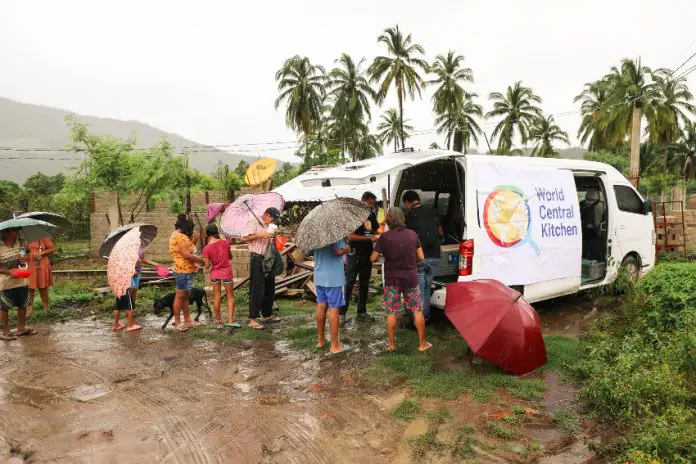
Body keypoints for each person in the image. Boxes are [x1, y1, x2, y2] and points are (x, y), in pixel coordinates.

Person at [371, 208, 431, 352]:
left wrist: (377, 248)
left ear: (389, 221)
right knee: (417, 310)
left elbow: (373, 259)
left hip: (392, 280)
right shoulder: (412, 234)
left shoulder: (384, 238)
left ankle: (391, 345)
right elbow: (421, 257)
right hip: (410, 278)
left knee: (392, 312)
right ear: (402, 219)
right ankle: (422, 344)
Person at [402, 191, 443, 321]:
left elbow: (406, 238)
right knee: (426, 288)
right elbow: (440, 231)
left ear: (408, 202)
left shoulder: (408, 216)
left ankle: (421, 319)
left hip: (419, 257)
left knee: (419, 291)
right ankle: (426, 316)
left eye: (405, 204)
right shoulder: (432, 212)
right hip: (435, 256)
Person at [341, 191, 379, 326]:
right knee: (349, 282)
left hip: (367, 254)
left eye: (372, 205)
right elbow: (350, 236)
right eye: (369, 204)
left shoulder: (371, 215)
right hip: (354, 253)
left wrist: (378, 234)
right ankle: (342, 313)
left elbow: (372, 230)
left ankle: (361, 312)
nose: (370, 207)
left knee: (364, 283)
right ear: (362, 201)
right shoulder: (354, 215)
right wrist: (368, 237)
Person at [240, 208, 281, 330]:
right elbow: (243, 238)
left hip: (268, 258)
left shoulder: (269, 225)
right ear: (267, 215)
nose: (272, 222)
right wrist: (261, 234)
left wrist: (274, 235)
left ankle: (266, 315)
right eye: (272, 219)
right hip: (257, 258)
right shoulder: (253, 221)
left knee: (270, 287)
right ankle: (252, 318)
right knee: (258, 288)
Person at [308, 239, 350, 354]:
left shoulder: (315, 236)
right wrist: (347, 248)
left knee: (321, 306)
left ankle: (321, 340)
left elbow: (309, 252)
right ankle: (334, 345)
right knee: (334, 308)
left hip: (319, 276)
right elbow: (338, 251)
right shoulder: (335, 235)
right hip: (334, 278)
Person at [169, 218, 205, 330]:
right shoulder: (181, 237)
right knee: (180, 296)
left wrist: (194, 240)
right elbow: (187, 255)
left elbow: (187, 250)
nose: (191, 230)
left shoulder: (176, 235)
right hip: (182, 270)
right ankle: (177, 322)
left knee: (185, 295)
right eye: (191, 229)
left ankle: (188, 320)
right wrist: (201, 261)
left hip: (184, 269)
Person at [202, 223, 239, 330]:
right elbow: (230, 257)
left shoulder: (206, 248)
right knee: (230, 296)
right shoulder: (225, 243)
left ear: (207, 234)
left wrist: (205, 262)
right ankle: (231, 320)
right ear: (217, 232)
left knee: (216, 297)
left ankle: (218, 322)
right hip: (227, 272)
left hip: (215, 274)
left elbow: (207, 266)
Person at [0, 228, 33, 340]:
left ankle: (21, 328)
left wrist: (25, 258)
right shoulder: (0, 247)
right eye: (15, 231)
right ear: (7, 232)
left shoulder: (20, 244)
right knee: (5, 307)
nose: (17, 233)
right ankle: (5, 331)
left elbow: (26, 259)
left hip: (21, 279)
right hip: (6, 281)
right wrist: (7, 271)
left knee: (22, 304)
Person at [26, 237, 56, 317]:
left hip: (41, 263)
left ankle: (46, 309)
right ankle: (29, 310)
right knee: (29, 288)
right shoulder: (24, 236)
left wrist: (41, 253)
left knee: (43, 287)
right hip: (29, 264)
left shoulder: (42, 235)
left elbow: (52, 249)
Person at [579, 187, 606, 261]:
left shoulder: (581, 203)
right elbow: (597, 224)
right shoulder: (600, 205)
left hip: (581, 234)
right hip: (594, 236)